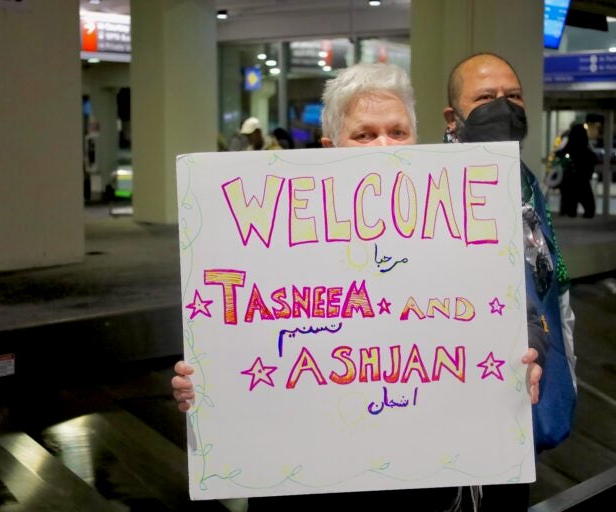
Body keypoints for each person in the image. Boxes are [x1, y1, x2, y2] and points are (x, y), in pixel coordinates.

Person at [173, 62, 546, 512]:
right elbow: (234, 345)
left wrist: (526, 360)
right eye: (365, 135)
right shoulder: (273, 240)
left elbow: (521, 317)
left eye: (397, 131)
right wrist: (202, 384)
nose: (384, 147)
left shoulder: (464, 220)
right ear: (329, 147)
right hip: (315, 484)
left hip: (431, 482)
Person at [443, 52, 578, 510]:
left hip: (524, 392)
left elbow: (550, 285)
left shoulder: (524, 182)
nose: (503, 106)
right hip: (464, 412)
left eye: (513, 95)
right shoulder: (436, 192)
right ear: (452, 116)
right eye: (484, 98)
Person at [554, 123, 597, 218]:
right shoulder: (584, 146)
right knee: (588, 203)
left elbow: (559, 153)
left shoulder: (570, 143)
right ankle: (583, 214)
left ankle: (569, 212)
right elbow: (592, 158)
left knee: (570, 202)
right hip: (582, 178)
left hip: (570, 178)